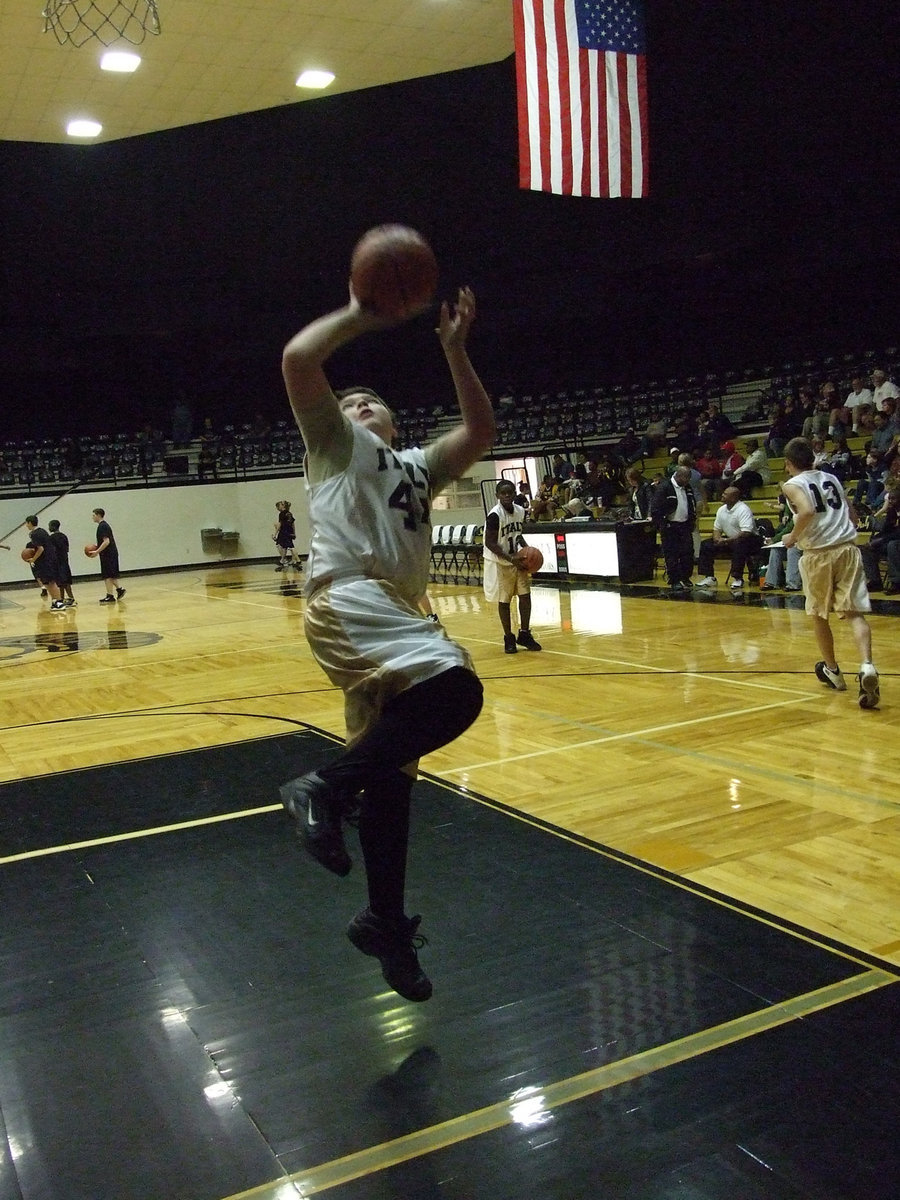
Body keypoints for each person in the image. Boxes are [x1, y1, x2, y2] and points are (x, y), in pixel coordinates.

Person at [278, 282, 495, 1003]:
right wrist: (362, 315)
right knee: (458, 687)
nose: (359, 403)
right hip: (349, 597)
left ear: (395, 422)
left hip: (388, 613)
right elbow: (299, 358)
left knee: (393, 780)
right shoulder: (336, 446)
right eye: (349, 401)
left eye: (371, 401)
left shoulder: (418, 467)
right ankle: (320, 786)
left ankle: (385, 922)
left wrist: (456, 352)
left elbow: (480, 435)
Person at [781, 437, 879, 708]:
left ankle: (833, 670)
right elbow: (853, 516)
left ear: (789, 464)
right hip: (847, 549)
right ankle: (867, 666)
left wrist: (792, 536)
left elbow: (808, 510)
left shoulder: (792, 484)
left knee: (819, 615)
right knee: (854, 614)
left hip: (818, 555)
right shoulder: (831, 478)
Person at [483, 479, 543, 653]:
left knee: (525, 596)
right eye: (503, 493)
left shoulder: (519, 511)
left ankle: (524, 634)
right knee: (505, 600)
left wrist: (526, 551)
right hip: (500, 562)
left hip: (516, 559)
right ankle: (508, 638)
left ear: (515, 493)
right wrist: (510, 558)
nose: (507, 496)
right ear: (497, 496)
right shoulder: (495, 515)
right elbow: (490, 543)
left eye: (510, 492)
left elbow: (517, 535)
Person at [696, 486, 764, 590]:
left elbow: (746, 532)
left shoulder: (743, 509)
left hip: (750, 541)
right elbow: (717, 528)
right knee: (706, 544)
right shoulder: (721, 510)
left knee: (739, 544)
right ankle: (709, 577)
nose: (722, 495)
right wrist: (717, 539)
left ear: (733, 498)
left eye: (725, 494)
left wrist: (727, 540)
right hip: (730, 540)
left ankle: (738, 578)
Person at [650, 465, 696, 591]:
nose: (688, 481)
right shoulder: (664, 487)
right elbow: (655, 508)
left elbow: (692, 504)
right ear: (679, 476)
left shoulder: (687, 488)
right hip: (670, 526)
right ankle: (674, 579)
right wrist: (660, 524)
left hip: (685, 525)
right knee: (671, 554)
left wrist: (692, 520)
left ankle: (685, 577)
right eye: (686, 478)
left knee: (688, 553)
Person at [24, 517, 65, 610]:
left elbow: (41, 548)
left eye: (26, 523)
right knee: (47, 582)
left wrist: (33, 559)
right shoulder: (42, 531)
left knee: (51, 582)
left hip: (47, 561)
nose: (26, 525)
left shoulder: (35, 534)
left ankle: (59, 602)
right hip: (50, 559)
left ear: (30, 523)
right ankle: (55, 601)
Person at [87, 508, 125, 603]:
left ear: (98, 515)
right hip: (109, 553)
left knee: (107, 575)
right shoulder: (103, 525)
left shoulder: (102, 526)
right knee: (110, 574)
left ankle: (110, 595)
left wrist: (96, 551)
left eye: (93, 515)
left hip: (108, 554)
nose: (92, 517)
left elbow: (106, 541)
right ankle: (119, 590)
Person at [48, 519, 76, 606]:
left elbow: (51, 551)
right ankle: (71, 598)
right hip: (65, 560)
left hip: (57, 562)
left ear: (53, 526)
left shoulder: (51, 538)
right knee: (66, 582)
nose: (49, 528)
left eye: (49, 526)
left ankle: (61, 599)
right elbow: (67, 549)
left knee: (59, 583)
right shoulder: (64, 536)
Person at [273, 499, 300, 570]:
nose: (278, 508)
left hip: (284, 532)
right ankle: (282, 559)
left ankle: (298, 560)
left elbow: (280, 524)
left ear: (282, 506)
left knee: (291, 546)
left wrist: (275, 533)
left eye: (278, 506)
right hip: (290, 531)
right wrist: (294, 532)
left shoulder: (282, 514)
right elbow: (293, 524)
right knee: (284, 546)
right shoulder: (289, 513)